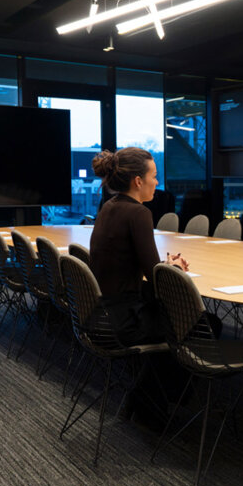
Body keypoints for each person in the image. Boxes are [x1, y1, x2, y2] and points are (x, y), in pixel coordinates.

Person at [90, 147, 187, 343]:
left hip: (101, 314)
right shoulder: (139, 213)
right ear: (138, 181)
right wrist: (175, 268)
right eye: (154, 176)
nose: (157, 182)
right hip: (126, 321)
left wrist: (164, 266)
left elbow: (129, 259)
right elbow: (155, 279)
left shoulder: (109, 206)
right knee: (206, 323)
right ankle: (161, 373)